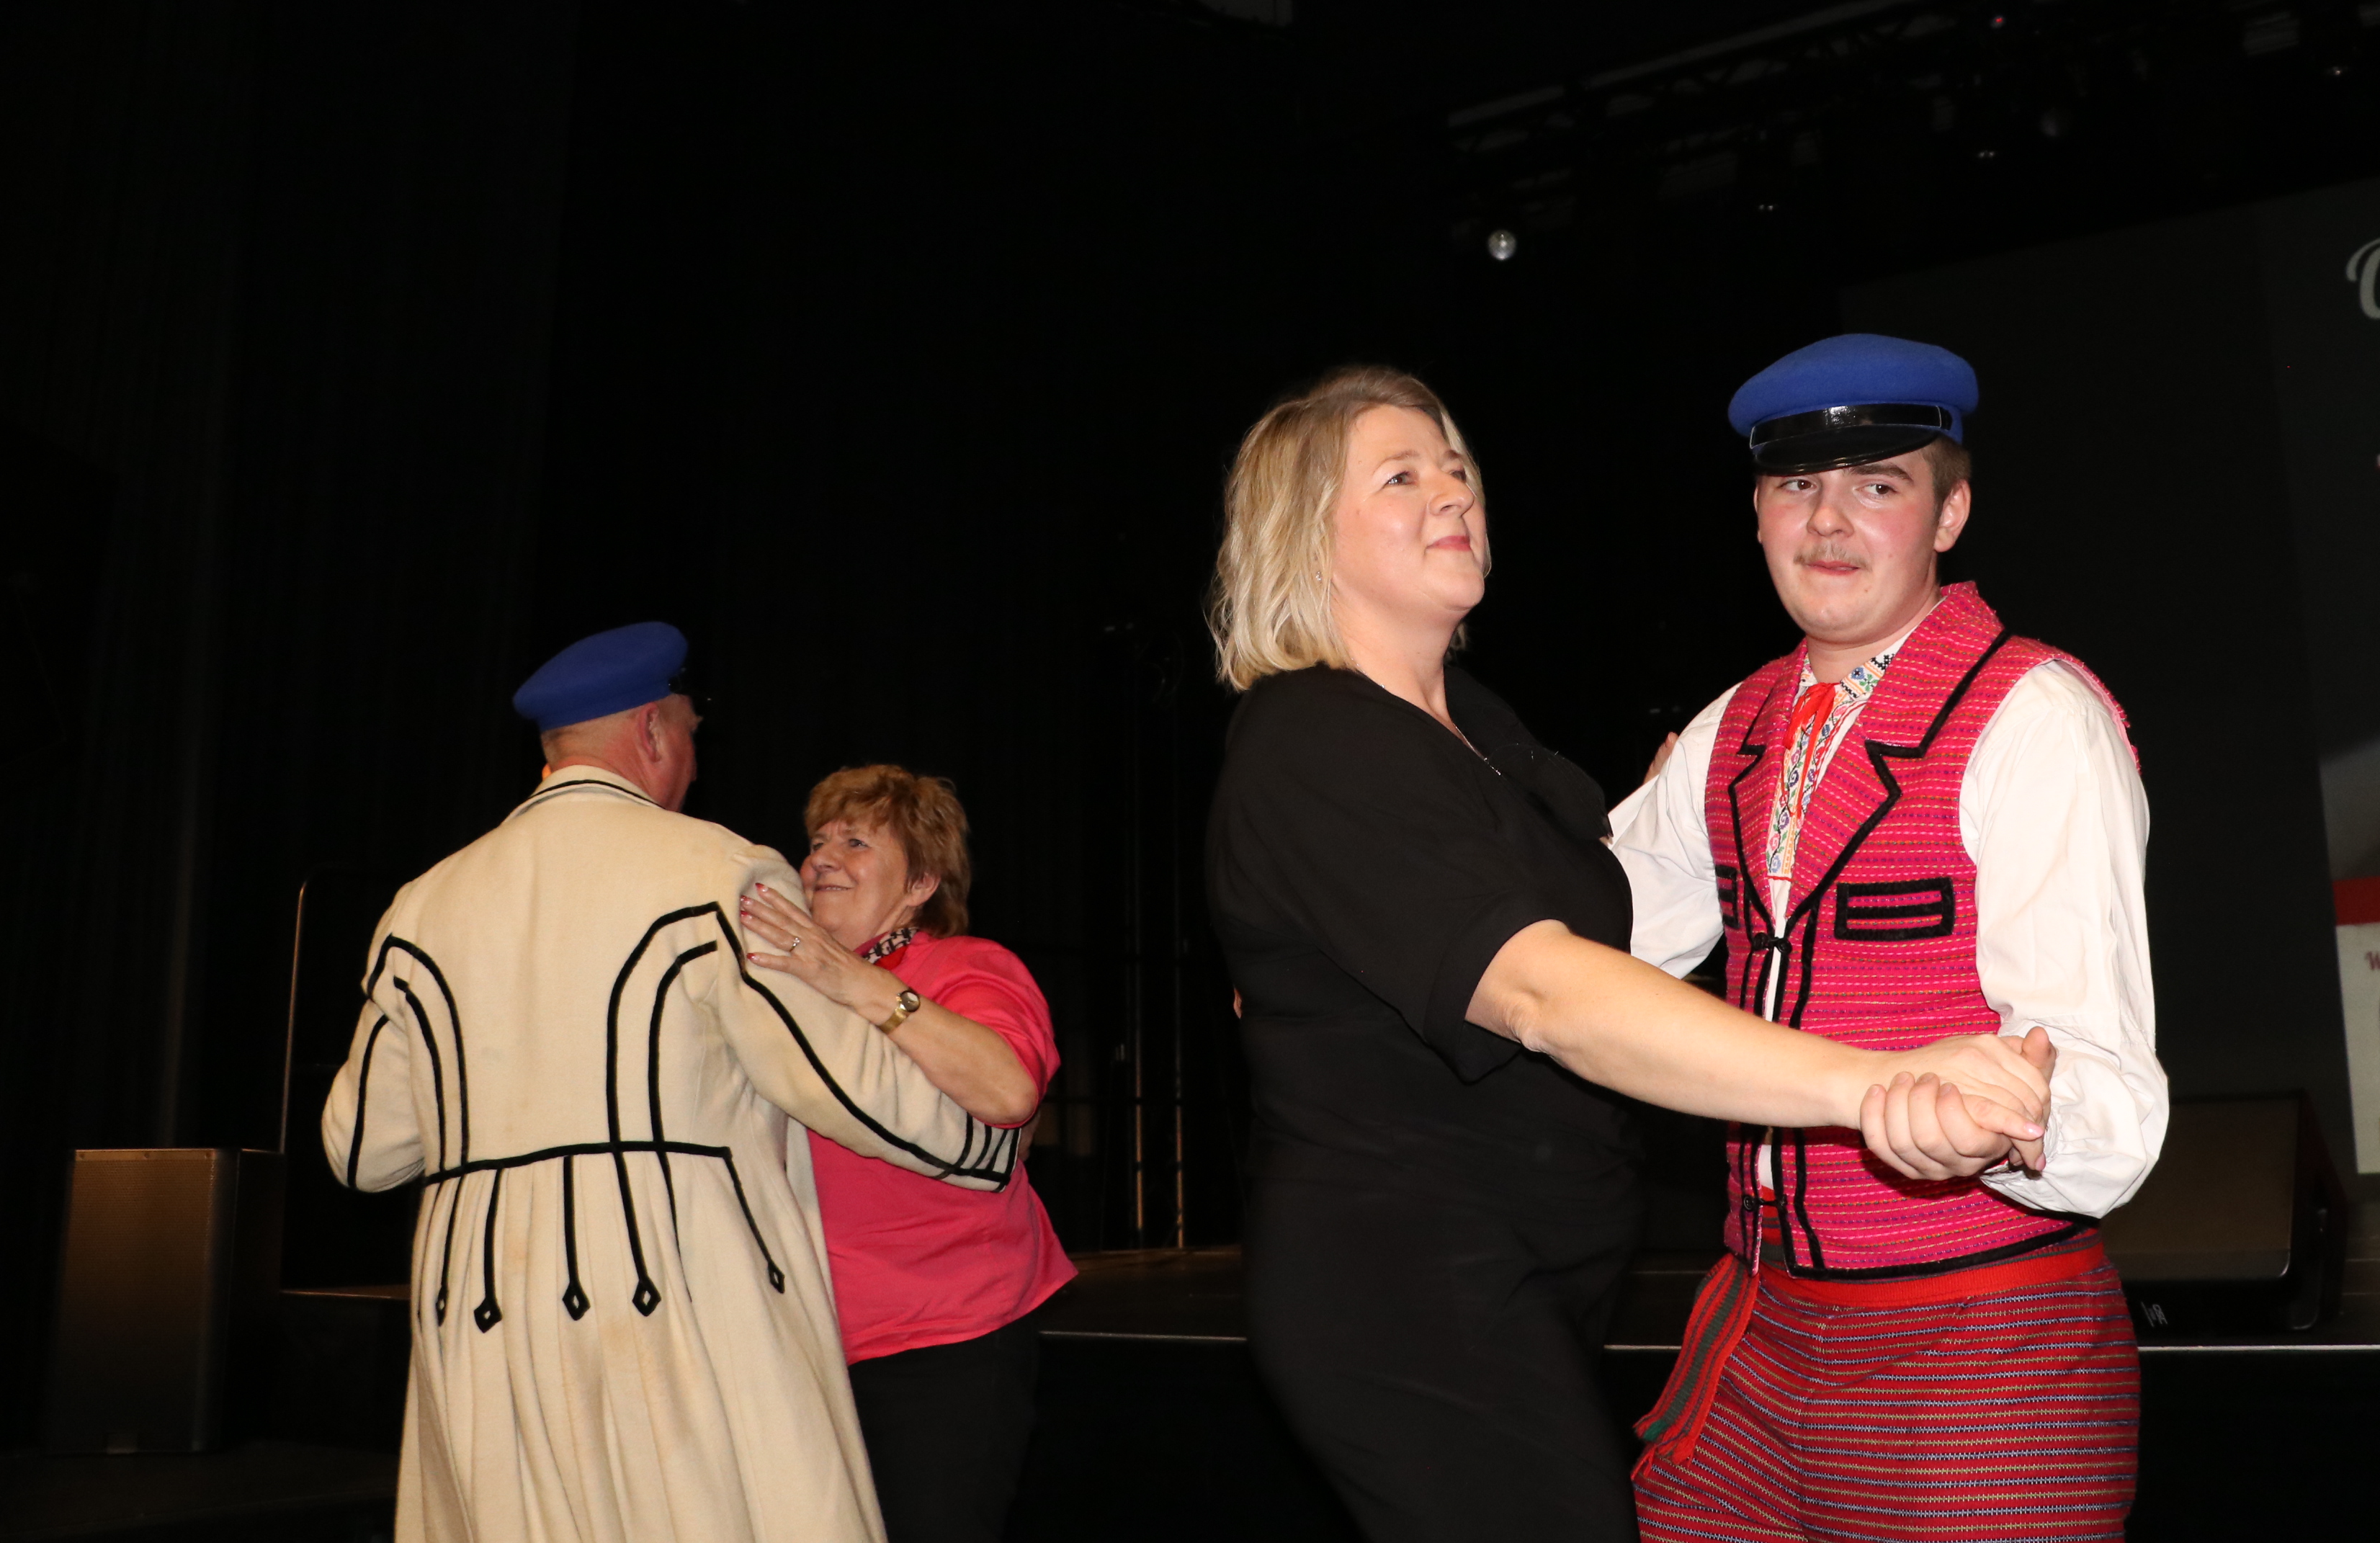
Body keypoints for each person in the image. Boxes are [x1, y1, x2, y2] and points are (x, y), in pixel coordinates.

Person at [1204, 366, 2059, 1543]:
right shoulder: (1315, 738)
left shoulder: (1481, 734)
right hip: (1408, 1286)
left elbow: (1609, 924)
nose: (1453, 490)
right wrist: (1876, 1081)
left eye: (1456, 465)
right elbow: (1547, 991)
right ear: (1302, 536)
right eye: (1400, 476)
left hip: (1522, 1275)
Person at [1611, 334, 2165, 1542]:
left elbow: (2106, 1099)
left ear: (1949, 514)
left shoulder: (2036, 716)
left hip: (1979, 1356)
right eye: (1796, 485)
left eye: (1876, 484)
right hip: (1756, 1342)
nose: (1826, 521)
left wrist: (2003, 1121)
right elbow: (1588, 950)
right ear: (1756, 513)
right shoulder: (1728, 728)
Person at [323, 624, 1018, 1543]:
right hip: (666, 1292)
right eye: (690, 731)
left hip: (479, 1307)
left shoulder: (423, 904)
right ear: (653, 729)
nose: (693, 757)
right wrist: (980, 1143)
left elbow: (363, 1148)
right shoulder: (714, 873)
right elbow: (839, 1080)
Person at [737, 765, 1073, 1543]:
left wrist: (849, 979)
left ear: (921, 882)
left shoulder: (968, 966)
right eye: (818, 841)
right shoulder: (785, 990)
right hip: (809, 1339)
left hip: (945, 1341)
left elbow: (1008, 1089)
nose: (822, 859)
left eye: (856, 842)